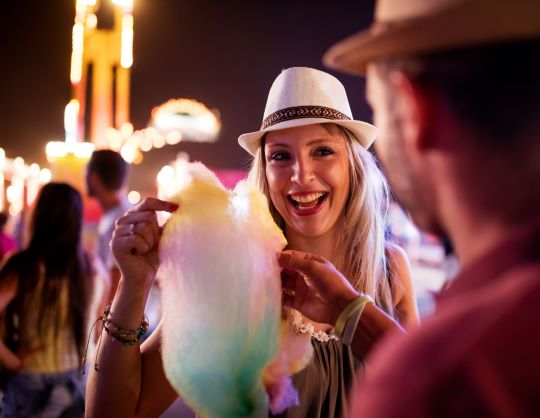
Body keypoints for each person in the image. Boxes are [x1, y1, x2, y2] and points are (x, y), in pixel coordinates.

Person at [278, 0, 540, 416]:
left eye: (378, 106)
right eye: (281, 156)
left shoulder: (443, 383)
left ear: (413, 109)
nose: (302, 174)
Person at [85, 66, 418, 418]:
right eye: (280, 155)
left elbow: (430, 396)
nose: (301, 175)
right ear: (265, 170)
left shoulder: (390, 271)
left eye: (322, 151)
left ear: (354, 166)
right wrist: (134, 286)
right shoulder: (233, 273)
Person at [0, 183, 108, 417]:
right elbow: (98, 332)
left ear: (39, 216)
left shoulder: (24, 266)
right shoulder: (94, 269)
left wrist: (11, 361)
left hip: (33, 377)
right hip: (81, 378)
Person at [86, 149, 132, 299]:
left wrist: (104, 321)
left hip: (118, 320)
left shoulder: (123, 219)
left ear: (94, 177)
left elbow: (119, 279)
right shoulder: (115, 215)